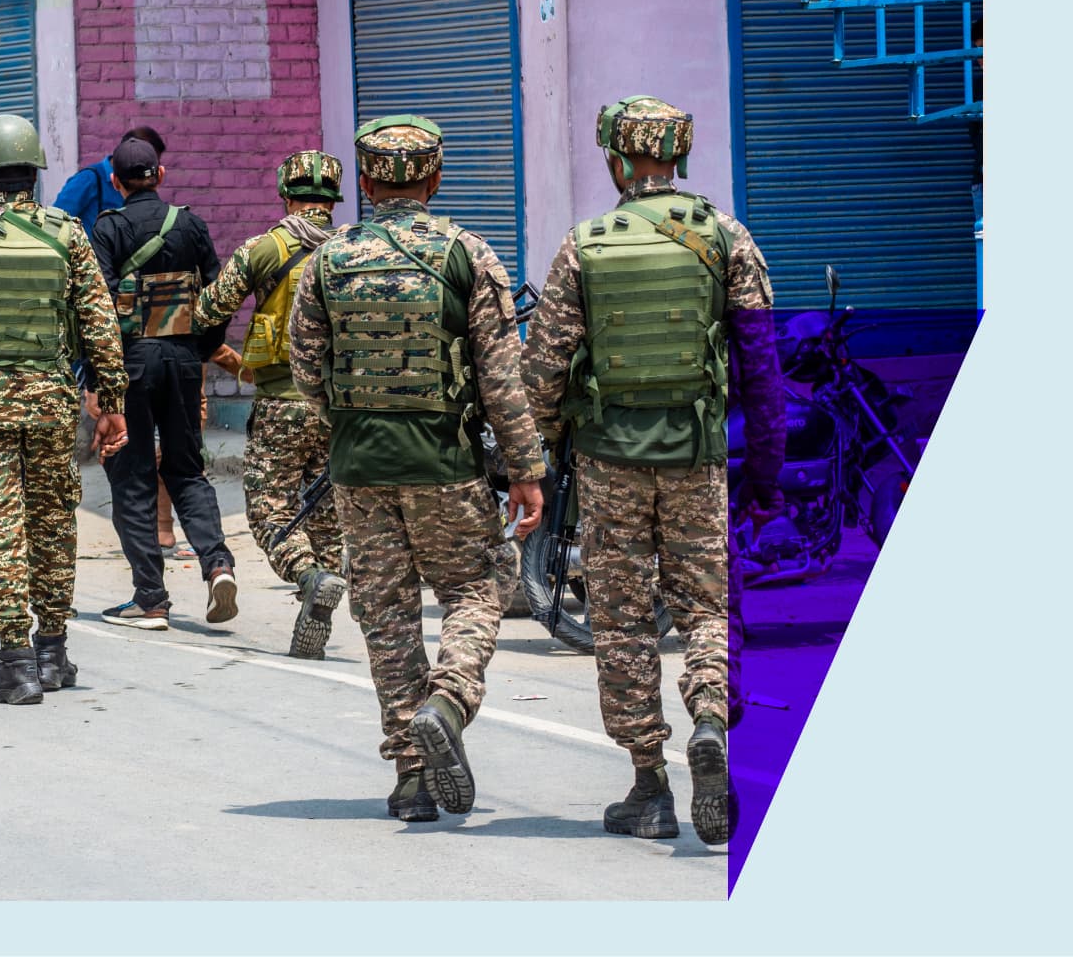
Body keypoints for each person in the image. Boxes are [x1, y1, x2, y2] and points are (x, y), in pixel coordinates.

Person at [521, 96, 783, 846]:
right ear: (679, 157)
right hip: (697, 459)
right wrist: (765, 472)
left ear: (616, 160)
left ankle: (649, 784)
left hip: (609, 463)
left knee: (623, 620)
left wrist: (530, 464)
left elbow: (542, 371)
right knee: (707, 608)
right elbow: (762, 364)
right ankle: (710, 718)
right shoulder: (726, 238)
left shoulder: (584, 247)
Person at [287, 115, 546, 824]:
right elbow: (502, 377)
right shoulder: (467, 254)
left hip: (358, 468)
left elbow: (305, 369)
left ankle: (411, 777)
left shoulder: (327, 261)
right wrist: (525, 468)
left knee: (386, 613)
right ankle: (449, 700)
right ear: (434, 178)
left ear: (367, 184)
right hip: (445, 461)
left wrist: (351, 420)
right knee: (478, 586)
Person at [0, 114, 130, 704]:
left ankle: (16, 663)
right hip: (51, 406)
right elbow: (100, 325)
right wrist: (111, 403)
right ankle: (53, 652)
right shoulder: (68, 234)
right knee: (52, 524)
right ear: (35, 173)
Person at [192, 150, 348, 657]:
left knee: (269, 511)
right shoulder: (353, 250)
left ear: (285, 195)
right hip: (339, 410)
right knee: (326, 515)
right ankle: (320, 596)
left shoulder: (264, 249)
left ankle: (308, 576)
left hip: (280, 401)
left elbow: (208, 309)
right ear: (334, 197)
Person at [90, 137, 236, 630]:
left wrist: (98, 377)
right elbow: (217, 296)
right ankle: (218, 565)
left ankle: (150, 599)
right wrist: (200, 348)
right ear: (161, 175)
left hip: (130, 365)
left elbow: (98, 308)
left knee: (131, 476)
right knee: (187, 470)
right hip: (182, 361)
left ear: (116, 181)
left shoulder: (108, 228)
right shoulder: (191, 225)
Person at [55, 125, 166, 239]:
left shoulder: (141, 183)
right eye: (149, 162)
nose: (150, 169)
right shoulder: (88, 179)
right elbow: (56, 222)